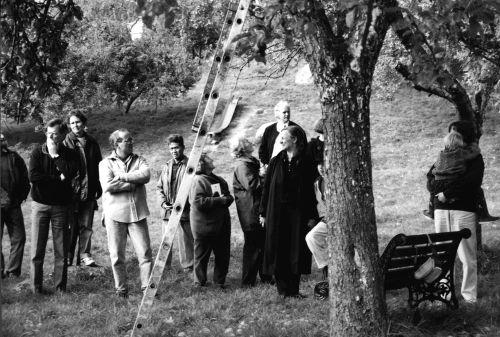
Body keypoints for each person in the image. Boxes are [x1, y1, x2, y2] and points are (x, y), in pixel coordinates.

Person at [427, 120, 484, 303]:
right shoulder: (444, 156)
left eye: (457, 133)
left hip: (463, 210)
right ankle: (445, 293)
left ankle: (469, 296)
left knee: (467, 256)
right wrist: (437, 191)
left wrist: (447, 192)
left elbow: (472, 182)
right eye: (451, 132)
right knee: (443, 255)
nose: (453, 136)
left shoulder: (475, 157)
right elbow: (431, 177)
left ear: (465, 136)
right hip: (441, 210)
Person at [260, 125, 319, 298]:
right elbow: (266, 188)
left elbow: (310, 192)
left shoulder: (307, 162)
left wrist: (311, 216)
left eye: (284, 136)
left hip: (297, 215)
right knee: (279, 249)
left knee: (296, 251)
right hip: (277, 214)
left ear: (295, 139)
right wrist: (263, 212)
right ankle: (282, 290)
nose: (280, 139)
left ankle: (293, 290)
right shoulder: (276, 161)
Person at [99, 129, 152, 298]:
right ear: (117, 144)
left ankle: (147, 290)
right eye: (127, 140)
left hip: (137, 213)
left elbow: (146, 175)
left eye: (131, 139)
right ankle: (121, 291)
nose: (131, 142)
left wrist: (121, 177)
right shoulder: (105, 163)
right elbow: (108, 186)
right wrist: (132, 183)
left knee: (145, 254)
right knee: (117, 257)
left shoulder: (140, 159)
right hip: (114, 214)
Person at [29, 118, 79, 293]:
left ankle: (60, 288)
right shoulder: (37, 152)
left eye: (54, 133)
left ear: (63, 134)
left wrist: (56, 156)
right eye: (48, 132)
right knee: (37, 249)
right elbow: (34, 177)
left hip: (60, 207)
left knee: (61, 250)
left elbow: (71, 172)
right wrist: (58, 179)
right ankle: (36, 288)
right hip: (40, 205)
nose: (50, 136)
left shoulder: (70, 154)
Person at [63, 111, 102, 267]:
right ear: (69, 126)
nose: (75, 125)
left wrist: (98, 186)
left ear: (84, 123)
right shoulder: (65, 143)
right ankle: (67, 257)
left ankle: (85, 255)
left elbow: (99, 166)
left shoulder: (92, 142)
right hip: (71, 193)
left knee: (86, 226)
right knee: (71, 226)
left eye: (78, 122)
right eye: (72, 123)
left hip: (90, 191)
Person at [189, 153, 233, 288]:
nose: (212, 159)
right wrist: (220, 200)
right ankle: (199, 283)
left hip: (221, 224)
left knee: (222, 254)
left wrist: (227, 199)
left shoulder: (218, 179)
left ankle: (219, 282)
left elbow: (228, 196)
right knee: (201, 256)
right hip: (204, 226)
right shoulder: (198, 180)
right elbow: (197, 202)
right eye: (208, 158)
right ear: (201, 163)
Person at [231, 137, 269, 286]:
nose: (250, 143)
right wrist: (263, 175)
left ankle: (264, 276)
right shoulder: (242, 166)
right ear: (242, 148)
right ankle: (248, 281)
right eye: (247, 142)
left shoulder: (249, 161)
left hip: (254, 208)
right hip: (250, 211)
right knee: (253, 246)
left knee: (260, 244)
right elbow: (253, 185)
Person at [157, 134, 194, 272]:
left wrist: (184, 203)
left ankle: (188, 266)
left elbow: (193, 187)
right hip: (167, 210)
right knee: (165, 240)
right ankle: (163, 268)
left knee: (186, 240)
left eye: (177, 148)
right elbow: (159, 187)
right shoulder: (166, 166)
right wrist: (163, 203)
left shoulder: (190, 165)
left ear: (183, 147)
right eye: (171, 148)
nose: (174, 151)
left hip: (184, 210)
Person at [1, 133, 30, 278]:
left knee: (19, 238)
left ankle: (13, 271)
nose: (2, 142)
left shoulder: (13, 156)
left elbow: (25, 176)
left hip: (13, 204)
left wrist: (21, 196)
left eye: (2, 140)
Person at [258, 101, 301, 168]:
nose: (287, 114)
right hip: (272, 167)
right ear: (277, 114)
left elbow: (301, 148)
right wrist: (266, 164)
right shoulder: (269, 129)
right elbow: (263, 149)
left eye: (288, 112)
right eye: (284, 112)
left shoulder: (296, 129)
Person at [305, 161, 328, 280]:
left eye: (324, 164)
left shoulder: (336, 180)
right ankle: (326, 267)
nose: (322, 168)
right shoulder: (317, 183)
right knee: (311, 237)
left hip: (339, 220)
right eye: (319, 165)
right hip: (325, 220)